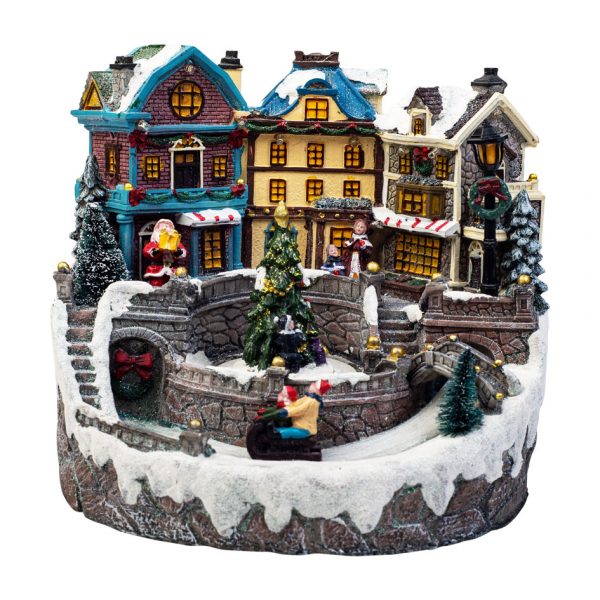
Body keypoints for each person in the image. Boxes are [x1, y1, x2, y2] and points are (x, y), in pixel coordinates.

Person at [142, 219, 187, 287]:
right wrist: (156, 251)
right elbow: (146, 252)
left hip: (172, 268)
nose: (165, 229)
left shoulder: (176, 243)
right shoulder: (154, 243)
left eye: (167, 226)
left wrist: (178, 252)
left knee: (173, 284)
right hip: (157, 268)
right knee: (156, 284)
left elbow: (183, 252)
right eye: (162, 228)